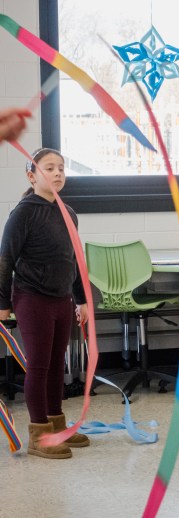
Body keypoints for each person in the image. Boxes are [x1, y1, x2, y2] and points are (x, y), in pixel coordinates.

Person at [0, 148, 89, 458]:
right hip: (31, 298)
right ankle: (40, 435)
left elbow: (74, 260)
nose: (57, 173)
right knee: (38, 366)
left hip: (61, 299)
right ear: (32, 176)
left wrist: (81, 299)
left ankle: (56, 425)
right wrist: (3, 303)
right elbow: (5, 259)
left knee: (56, 365)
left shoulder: (69, 213)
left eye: (61, 168)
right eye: (49, 168)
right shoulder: (23, 212)